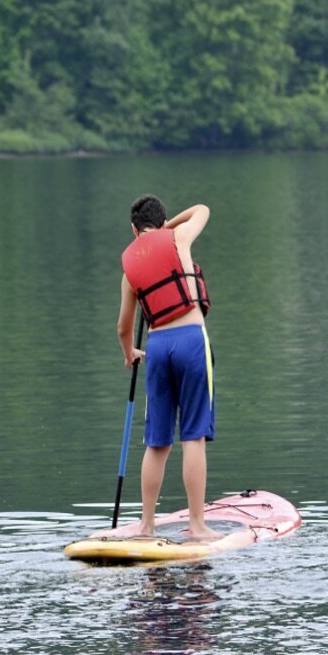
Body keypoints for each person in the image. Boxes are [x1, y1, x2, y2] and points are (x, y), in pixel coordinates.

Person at [117, 195, 217, 540]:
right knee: (193, 436)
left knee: (157, 442)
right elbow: (202, 209)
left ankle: (146, 525)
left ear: (133, 229)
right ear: (162, 223)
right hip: (190, 339)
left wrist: (130, 352)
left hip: (156, 347)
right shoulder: (178, 237)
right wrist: (167, 228)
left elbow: (123, 327)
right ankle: (198, 526)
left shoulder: (129, 267)